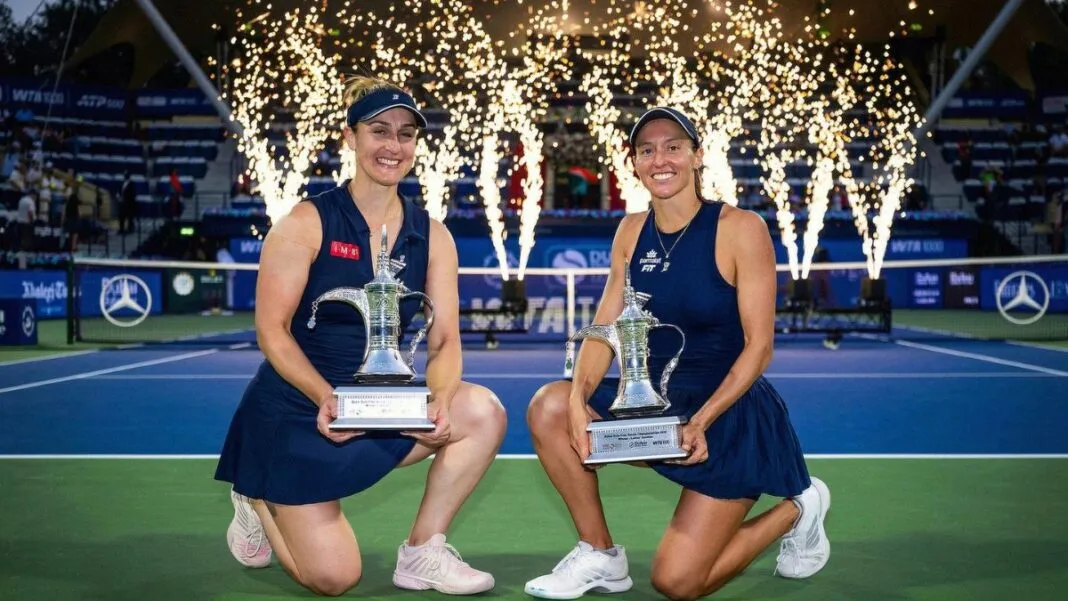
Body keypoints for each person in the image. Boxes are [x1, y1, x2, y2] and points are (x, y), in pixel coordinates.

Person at [214, 76, 507, 597]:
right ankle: (256, 493)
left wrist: (440, 399)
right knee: (335, 578)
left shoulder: (433, 235)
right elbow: (272, 332)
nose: (393, 145)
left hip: (378, 407)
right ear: (350, 137)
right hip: (301, 410)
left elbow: (444, 342)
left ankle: (422, 553)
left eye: (405, 134)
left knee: (481, 412)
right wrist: (324, 397)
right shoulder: (306, 222)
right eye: (379, 131)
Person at [524, 107, 830, 601]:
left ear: (696, 156)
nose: (660, 159)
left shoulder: (740, 227)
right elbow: (605, 330)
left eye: (673, 147)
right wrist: (578, 399)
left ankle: (801, 508)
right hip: (660, 406)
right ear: (635, 163)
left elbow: (760, 348)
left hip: (726, 415)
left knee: (678, 583)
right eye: (647, 150)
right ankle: (600, 554)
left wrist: (703, 420)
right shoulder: (630, 232)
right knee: (551, 406)